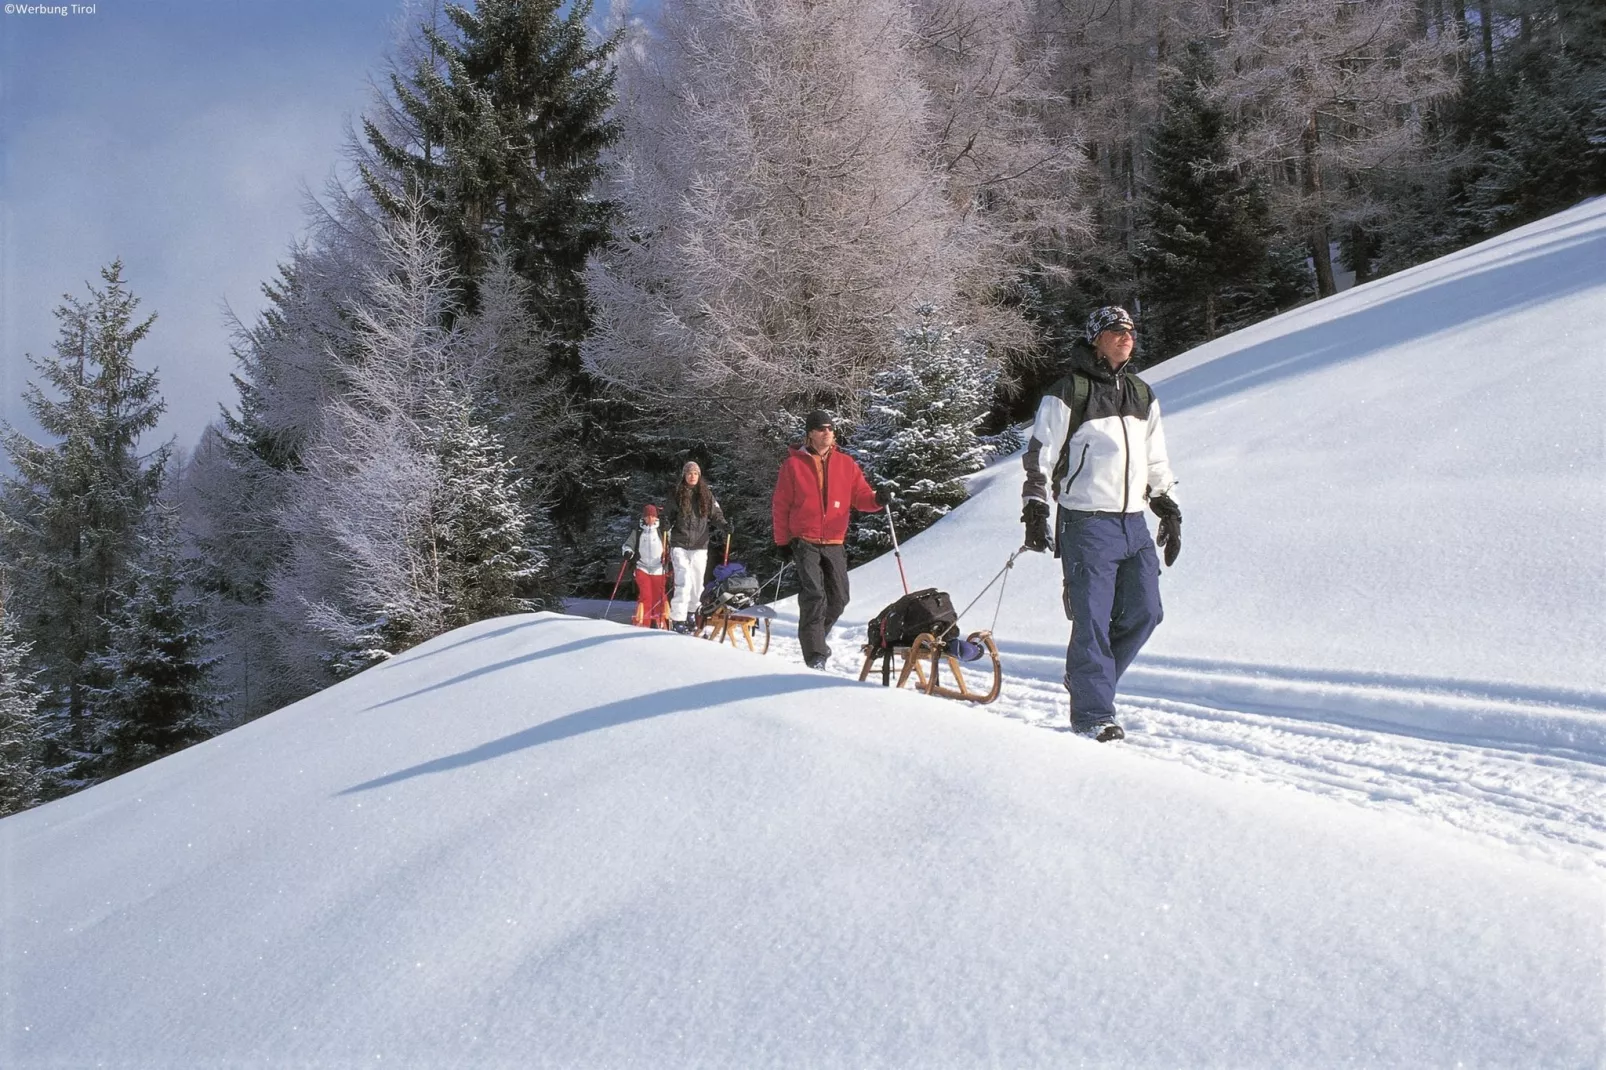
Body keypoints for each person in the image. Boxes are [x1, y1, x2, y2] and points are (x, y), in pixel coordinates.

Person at [1020, 306, 1181, 742]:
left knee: (1147, 612)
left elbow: (1155, 458)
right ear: (1096, 338)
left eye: (1130, 329)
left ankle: (1088, 679)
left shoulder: (1142, 393)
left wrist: (1168, 505)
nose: (1126, 335)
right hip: (1087, 522)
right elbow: (1041, 454)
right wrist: (1035, 507)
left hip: (1133, 523)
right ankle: (1092, 714)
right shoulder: (1068, 391)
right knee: (1091, 618)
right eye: (1115, 330)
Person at [772, 409, 888, 669]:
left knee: (839, 598)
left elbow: (861, 496)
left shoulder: (846, 464)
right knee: (814, 594)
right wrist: (781, 541)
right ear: (810, 434)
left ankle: (813, 638)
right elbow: (781, 505)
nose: (827, 432)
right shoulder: (793, 465)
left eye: (830, 428)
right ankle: (815, 656)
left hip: (835, 540)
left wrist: (877, 500)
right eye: (821, 429)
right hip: (804, 539)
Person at [665, 460, 728, 634]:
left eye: (695, 473)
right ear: (684, 475)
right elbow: (667, 515)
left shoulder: (706, 494)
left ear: (699, 476)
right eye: (689, 473)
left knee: (697, 582)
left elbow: (716, 514)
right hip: (680, 543)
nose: (692, 476)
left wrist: (724, 525)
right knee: (683, 580)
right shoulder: (677, 493)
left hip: (700, 545)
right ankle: (678, 618)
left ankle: (691, 614)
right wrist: (664, 524)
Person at [622, 504, 671, 629]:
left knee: (659, 595)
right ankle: (643, 622)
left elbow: (672, 545)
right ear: (643, 517)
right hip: (642, 567)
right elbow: (628, 544)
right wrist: (628, 552)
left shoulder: (662, 530)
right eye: (648, 516)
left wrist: (668, 555)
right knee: (646, 595)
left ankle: (661, 621)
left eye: (653, 516)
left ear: (656, 517)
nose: (650, 519)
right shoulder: (638, 531)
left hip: (659, 568)